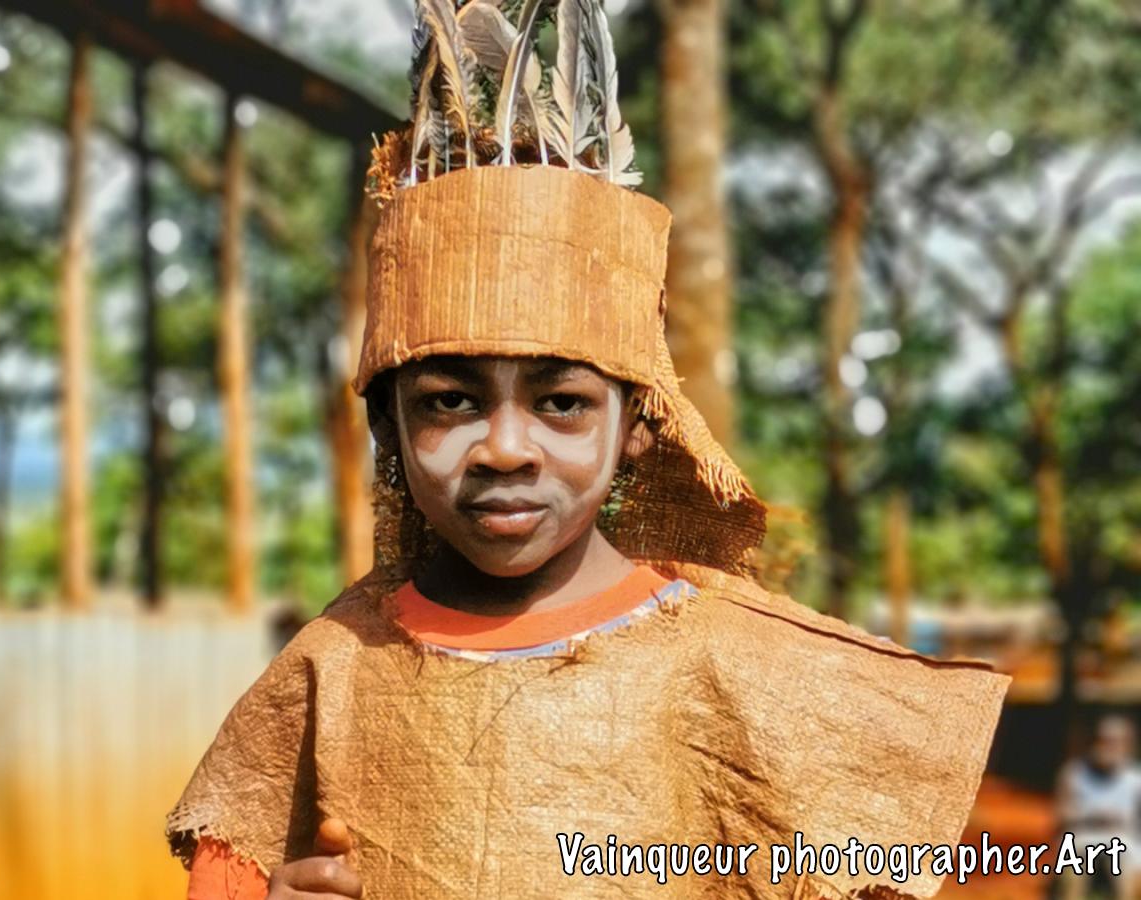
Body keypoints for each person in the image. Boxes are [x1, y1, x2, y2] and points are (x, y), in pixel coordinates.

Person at [166, 1, 1009, 897]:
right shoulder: (324, 678)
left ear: (639, 421)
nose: (504, 448)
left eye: (562, 402)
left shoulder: (751, 677)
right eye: (449, 400)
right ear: (390, 425)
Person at [1055, 716, 1141, 900]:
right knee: (1072, 874)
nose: (1108, 747)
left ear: (1127, 745)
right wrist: (1092, 816)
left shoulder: (1135, 779)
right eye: (1103, 740)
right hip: (1081, 836)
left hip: (1123, 838)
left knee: (1128, 877)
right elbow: (1061, 815)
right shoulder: (1074, 773)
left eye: (1115, 741)